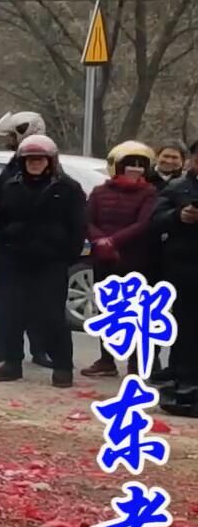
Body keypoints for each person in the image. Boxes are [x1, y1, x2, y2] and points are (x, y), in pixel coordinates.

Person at [0, 135, 83, 386]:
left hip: (50, 263)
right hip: (14, 259)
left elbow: (78, 227)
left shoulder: (68, 189)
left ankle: (62, 365)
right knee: (11, 314)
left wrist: (64, 255)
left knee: (51, 315)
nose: (34, 164)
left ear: (50, 161)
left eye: (39, 159)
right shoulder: (10, 185)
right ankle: (12, 362)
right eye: (29, 160)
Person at [82, 141, 160, 377]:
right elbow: (87, 220)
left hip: (136, 260)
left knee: (135, 313)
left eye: (140, 165)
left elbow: (144, 223)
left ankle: (136, 363)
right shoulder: (99, 192)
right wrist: (100, 241)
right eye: (129, 164)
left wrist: (114, 241)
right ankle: (106, 359)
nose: (135, 169)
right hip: (104, 259)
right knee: (106, 311)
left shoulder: (150, 193)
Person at [0, 111, 48, 364]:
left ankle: (39, 348)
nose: (9, 141)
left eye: (12, 135)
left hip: (33, 243)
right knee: (5, 298)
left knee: (36, 299)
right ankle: (4, 345)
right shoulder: (12, 164)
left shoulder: (49, 164)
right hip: (6, 242)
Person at [150, 143, 198, 396]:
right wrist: (179, 216)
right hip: (183, 267)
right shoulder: (178, 187)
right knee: (183, 324)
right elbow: (156, 219)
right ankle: (181, 374)